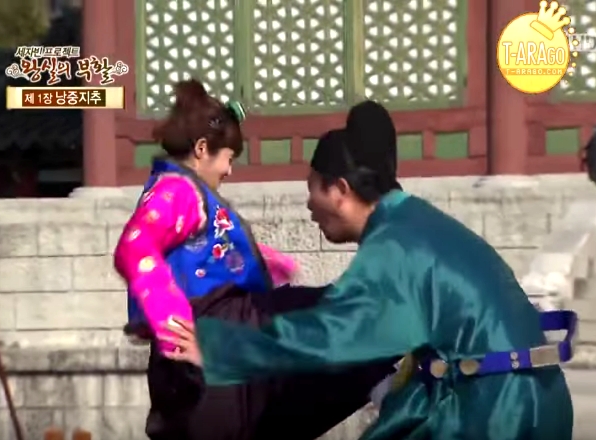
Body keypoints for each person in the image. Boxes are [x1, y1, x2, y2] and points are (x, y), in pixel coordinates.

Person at [163, 100, 576, 440]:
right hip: (536, 397)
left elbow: (328, 336)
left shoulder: (392, 246)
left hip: (494, 409)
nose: (309, 206)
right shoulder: (416, 222)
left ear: (340, 190)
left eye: (313, 188)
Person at [113, 80, 395, 440]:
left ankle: (384, 382)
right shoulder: (178, 192)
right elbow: (135, 246)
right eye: (228, 158)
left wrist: (262, 264)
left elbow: (203, 253)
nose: (229, 171)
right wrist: (172, 324)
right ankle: (387, 385)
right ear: (202, 149)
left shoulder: (183, 193)